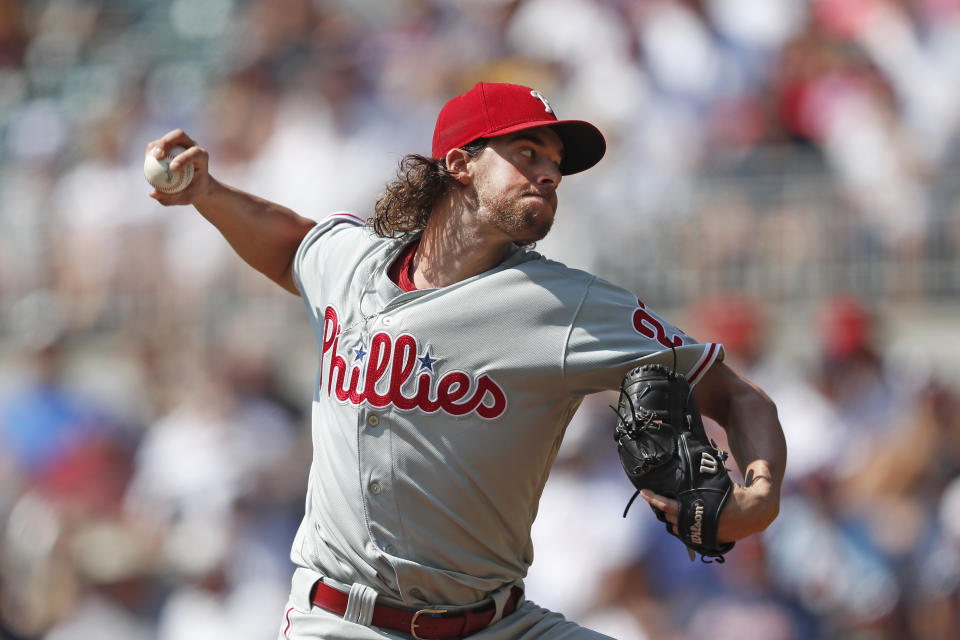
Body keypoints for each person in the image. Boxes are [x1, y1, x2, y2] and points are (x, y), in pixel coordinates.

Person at [147, 82, 786, 640]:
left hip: (498, 624)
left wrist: (759, 498)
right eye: (527, 154)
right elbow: (292, 244)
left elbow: (738, 395)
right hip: (339, 621)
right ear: (459, 163)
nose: (549, 175)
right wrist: (206, 191)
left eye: (556, 164)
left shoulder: (568, 306)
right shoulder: (352, 264)